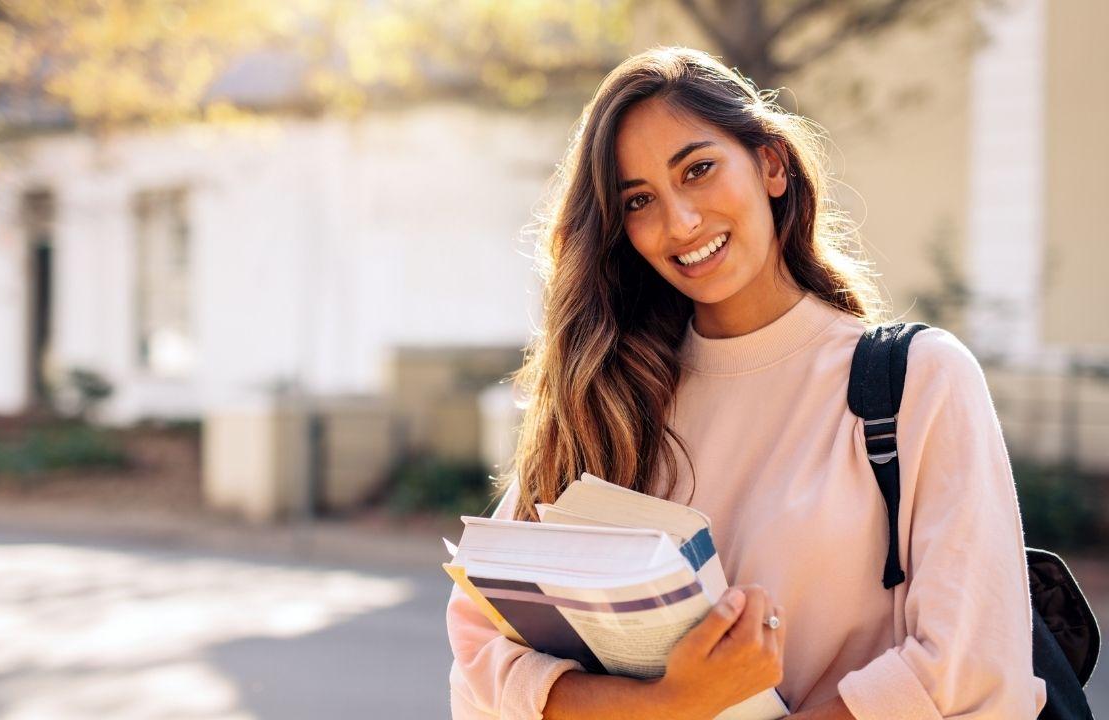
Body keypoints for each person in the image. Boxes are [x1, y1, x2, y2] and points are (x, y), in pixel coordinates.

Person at [446, 46, 1047, 719]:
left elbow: (969, 669)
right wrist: (671, 704)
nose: (680, 222)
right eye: (639, 200)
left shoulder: (918, 382)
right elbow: (481, 666)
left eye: (698, 170)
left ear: (771, 164)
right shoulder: (608, 397)